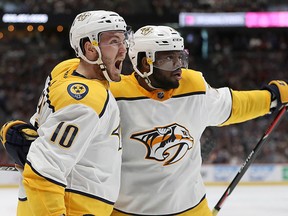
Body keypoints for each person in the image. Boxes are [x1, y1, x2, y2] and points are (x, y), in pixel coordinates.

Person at [1, 25, 288, 215]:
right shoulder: (110, 95)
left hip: (190, 208)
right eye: (168, 60)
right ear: (143, 62)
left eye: (181, 58)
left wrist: (271, 97)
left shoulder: (193, 86)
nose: (178, 68)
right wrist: (30, 134)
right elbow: (67, 124)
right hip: (124, 211)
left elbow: (234, 105)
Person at [1, 10, 132, 216]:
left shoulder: (66, 69)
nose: (124, 50)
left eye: (124, 40)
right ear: (90, 49)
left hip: (47, 201)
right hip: (73, 205)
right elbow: (44, 171)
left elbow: (43, 138)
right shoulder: (88, 99)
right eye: (115, 41)